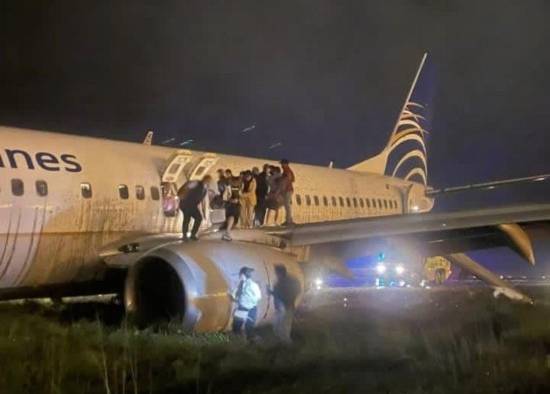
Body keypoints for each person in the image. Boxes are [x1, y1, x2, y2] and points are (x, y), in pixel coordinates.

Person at [269, 265, 301, 344]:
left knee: (284, 326)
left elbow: (281, 293)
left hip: (286, 307)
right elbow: (296, 290)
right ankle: (280, 341)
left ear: (280, 272)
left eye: (276, 272)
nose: (275, 274)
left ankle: (287, 343)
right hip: (283, 307)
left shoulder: (285, 281)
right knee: (278, 325)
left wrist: (271, 292)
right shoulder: (285, 280)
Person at [231, 266, 262, 340]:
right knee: (236, 326)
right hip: (241, 308)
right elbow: (235, 294)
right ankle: (238, 340)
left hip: (250, 309)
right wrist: (234, 297)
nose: (239, 276)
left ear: (243, 275)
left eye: (240, 274)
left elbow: (258, 297)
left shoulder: (253, 285)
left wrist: (247, 302)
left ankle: (251, 341)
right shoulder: (241, 284)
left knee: (249, 327)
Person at [178, 175, 212, 241]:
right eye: (208, 180)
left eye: (209, 181)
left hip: (193, 205)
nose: (208, 182)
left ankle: (192, 234)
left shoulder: (205, 188)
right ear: (204, 179)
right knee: (187, 218)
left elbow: (201, 199)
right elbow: (186, 187)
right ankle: (185, 235)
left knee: (198, 218)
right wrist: (181, 195)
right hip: (186, 203)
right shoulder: (196, 183)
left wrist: (204, 209)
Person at [222, 170, 241, 241]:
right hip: (232, 204)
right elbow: (225, 196)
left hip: (231, 204)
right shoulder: (235, 186)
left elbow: (224, 196)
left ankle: (227, 232)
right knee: (232, 217)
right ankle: (227, 233)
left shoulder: (229, 186)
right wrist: (232, 200)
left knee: (232, 217)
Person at [280, 159, 295, 226]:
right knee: (286, 205)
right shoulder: (286, 171)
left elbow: (288, 180)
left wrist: (283, 188)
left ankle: (288, 221)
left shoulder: (287, 171)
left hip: (288, 190)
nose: (281, 165)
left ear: (285, 164)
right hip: (288, 189)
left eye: (282, 164)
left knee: (287, 205)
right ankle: (289, 220)